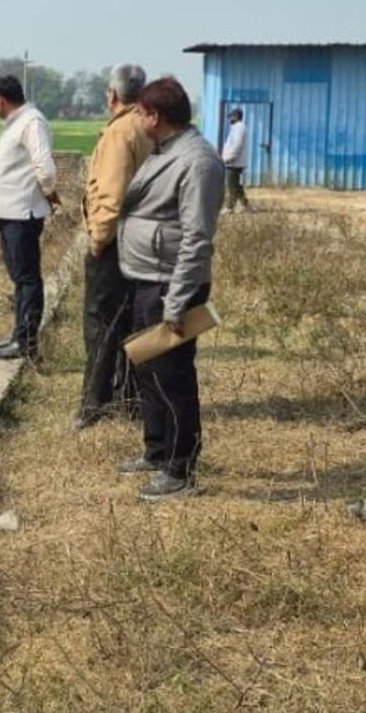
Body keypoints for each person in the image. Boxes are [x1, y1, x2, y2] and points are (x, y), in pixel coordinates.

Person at [116, 77, 224, 500]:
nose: (138, 119)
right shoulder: (166, 151)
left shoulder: (198, 162)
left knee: (173, 377)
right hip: (147, 276)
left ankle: (180, 469)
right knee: (147, 368)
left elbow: (197, 238)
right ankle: (157, 450)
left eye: (140, 112)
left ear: (155, 117)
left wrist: (176, 301)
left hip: (170, 285)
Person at [73, 63, 152, 429]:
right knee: (139, 322)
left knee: (101, 322)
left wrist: (98, 240)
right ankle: (135, 397)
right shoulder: (153, 126)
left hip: (117, 241)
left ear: (113, 96)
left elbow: (111, 194)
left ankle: (95, 400)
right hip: (145, 243)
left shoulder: (121, 133)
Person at [0, 75, 58, 360]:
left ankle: (27, 341)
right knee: (19, 278)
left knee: (27, 278)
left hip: (21, 213)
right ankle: (19, 334)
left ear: (0, 98)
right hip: (8, 211)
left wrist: (48, 194)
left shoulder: (32, 122)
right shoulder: (17, 123)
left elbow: (45, 167)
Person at [221, 107, 249, 213]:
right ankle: (244, 204)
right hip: (235, 161)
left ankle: (230, 207)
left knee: (231, 185)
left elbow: (236, 145)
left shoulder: (239, 128)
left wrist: (228, 158)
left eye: (231, 117)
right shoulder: (238, 128)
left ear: (236, 117)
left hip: (234, 162)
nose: (230, 120)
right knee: (236, 184)